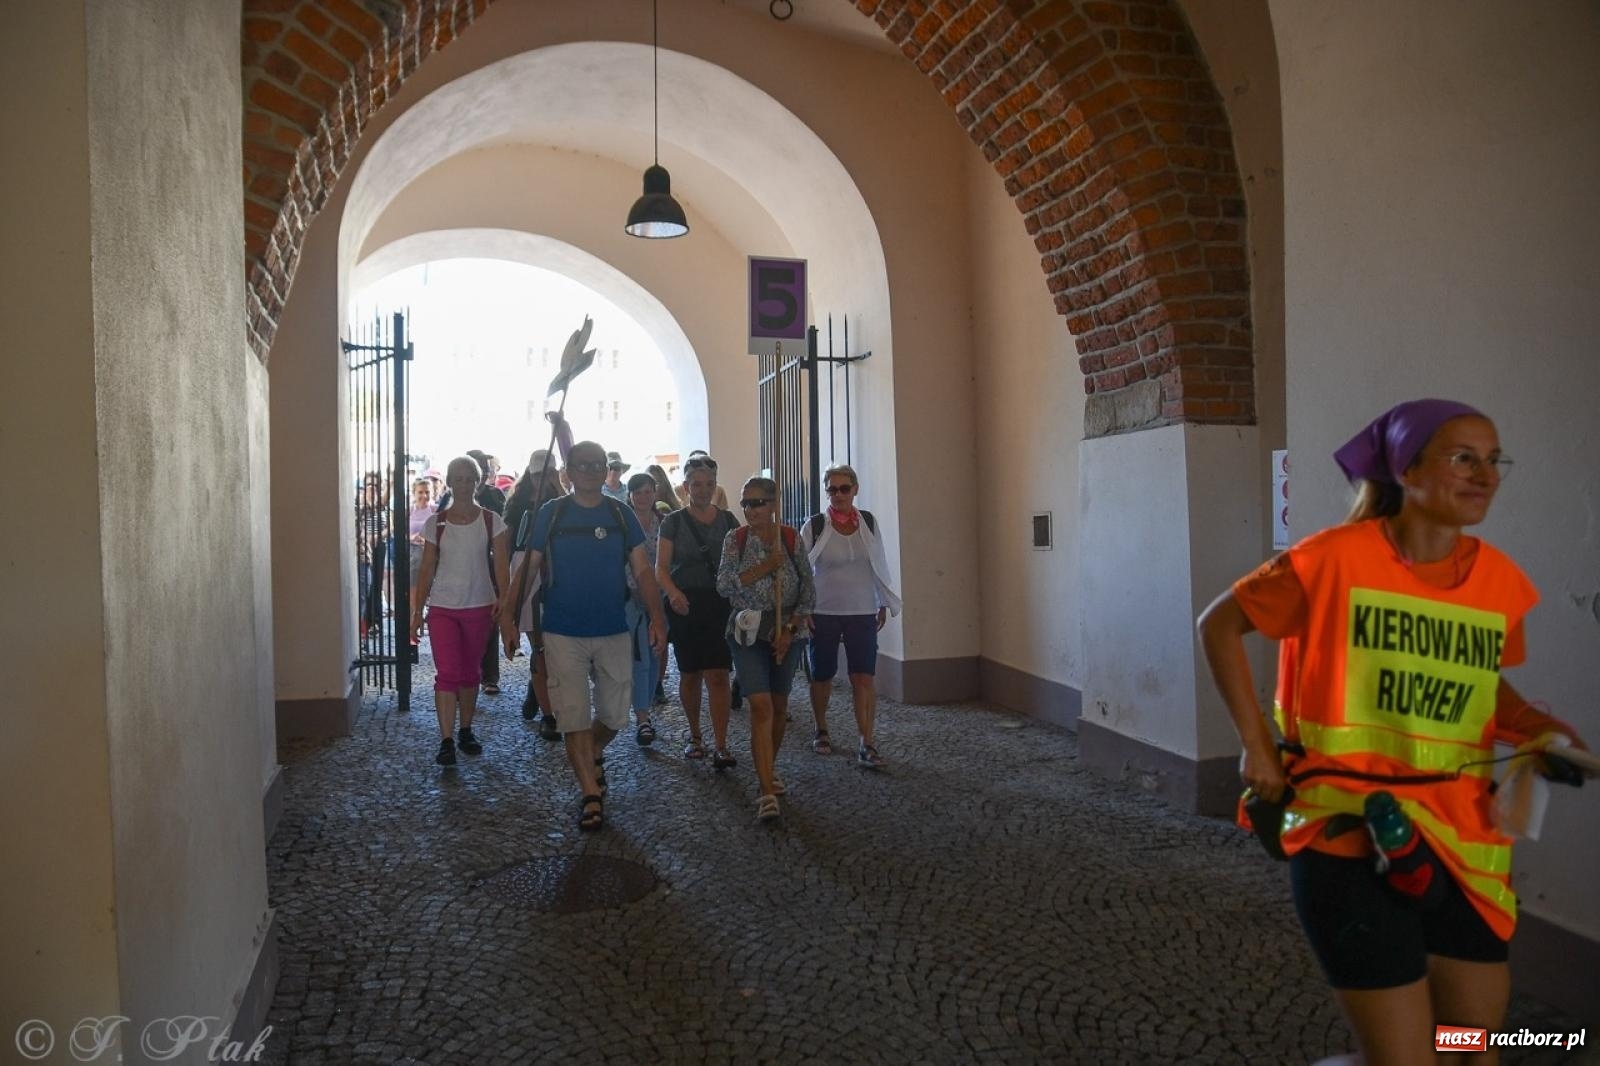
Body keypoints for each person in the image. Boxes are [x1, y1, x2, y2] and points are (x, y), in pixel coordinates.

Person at [1196, 399, 1588, 1065]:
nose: (1484, 474)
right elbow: (1220, 624)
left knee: (1467, 1047)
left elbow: (1475, 678)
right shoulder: (1331, 560)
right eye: (1463, 457)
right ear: (1407, 470)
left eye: (1494, 460)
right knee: (1405, 1060)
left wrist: (1535, 726)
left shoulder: (1498, 581)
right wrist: (1256, 745)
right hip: (1345, 830)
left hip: (1465, 840)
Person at [500, 441, 667, 832]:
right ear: (569, 473)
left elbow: (644, 572)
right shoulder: (551, 513)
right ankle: (591, 794)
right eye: (583, 465)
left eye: (598, 464)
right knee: (573, 716)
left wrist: (657, 617)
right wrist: (509, 618)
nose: (591, 470)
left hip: (613, 628)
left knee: (614, 716)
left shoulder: (620, 513)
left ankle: (589, 752)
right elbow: (528, 571)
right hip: (562, 630)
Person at [717, 476, 815, 821]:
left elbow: (807, 590)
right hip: (747, 630)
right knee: (759, 705)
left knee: (778, 703)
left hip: (786, 630)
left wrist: (789, 629)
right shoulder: (736, 539)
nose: (749, 509)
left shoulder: (789, 538)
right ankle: (765, 790)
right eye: (745, 503)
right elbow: (724, 584)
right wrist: (762, 569)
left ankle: (768, 766)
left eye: (756, 502)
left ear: (773, 505)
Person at [411, 456, 510, 767]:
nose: (465, 484)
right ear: (450, 482)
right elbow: (426, 569)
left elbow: (501, 565)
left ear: (477, 482)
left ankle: (465, 729)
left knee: (470, 673)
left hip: (479, 604)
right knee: (448, 673)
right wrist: (417, 611)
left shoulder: (492, 520)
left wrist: (504, 599)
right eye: (459, 478)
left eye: (470, 478)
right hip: (443, 606)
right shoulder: (435, 523)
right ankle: (446, 739)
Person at [800, 463, 901, 768]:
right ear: (826, 491)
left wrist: (882, 600)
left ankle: (866, 741)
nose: (838, 494)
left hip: (861, 610)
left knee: (863, 676)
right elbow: (802, 569)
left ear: (855, 489)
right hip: (824, 611)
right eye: (832, 489)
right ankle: (821, 728)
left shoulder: (868, 522)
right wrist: (803, 608)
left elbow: (878, 561)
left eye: (844, 488)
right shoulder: (815, 525)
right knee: (822, 674)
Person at [655, 454, 740, 764]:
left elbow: (741, 562)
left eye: (709, 484)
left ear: (716, 487)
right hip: (686, 604)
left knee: (719, 673)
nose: (703, 490)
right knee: (690, 673)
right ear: (685, 487)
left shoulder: (729, 521)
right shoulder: (673, 522)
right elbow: (661, 568)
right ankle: (694, 735)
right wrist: (673, 593)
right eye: (697, 485)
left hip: (720, 603)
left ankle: (721, 743)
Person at [502, 444, 565, 730]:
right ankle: (548, 713)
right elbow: (508, 542)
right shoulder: (516, 505)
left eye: (548, 474)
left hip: (557, 570)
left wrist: (559, 487)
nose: (543, 480)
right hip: (526, 567)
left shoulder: (563, 502)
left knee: (556, 647)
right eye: (539, 475)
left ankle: (538, 692)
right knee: (539, 646)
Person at [624, 471, 667, 745]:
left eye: (647, 491)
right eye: (637, 492)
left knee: (656, 654)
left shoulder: (664, 523)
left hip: (659, 599)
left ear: (655, 492)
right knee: (639, 656)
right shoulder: (623, 523)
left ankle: (646, 705)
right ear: (630, 495)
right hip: (628, 597)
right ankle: (642, 717)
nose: (643, 496)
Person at [356, 472, 389, 641]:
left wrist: (379, 537)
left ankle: (375, 622)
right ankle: (365, 625)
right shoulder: (360, 504)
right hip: (363, 551)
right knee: (364, 589)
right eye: (369, 485)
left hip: (378, 546)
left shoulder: (382, 506)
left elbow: (390, 525)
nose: (372, 488)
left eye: (375, 485)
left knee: (375, 584)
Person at [406, 477, 436, 593]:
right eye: (420, 492)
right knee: (414, 588)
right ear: (414, 493)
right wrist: (411, 537)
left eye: (427, 492)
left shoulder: (435, 510)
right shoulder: (409, 510)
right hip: (413, 553)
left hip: (430, 553)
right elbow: (399, 533)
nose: (424, 495)